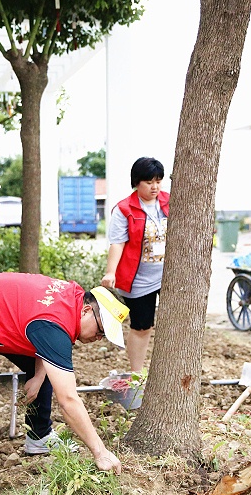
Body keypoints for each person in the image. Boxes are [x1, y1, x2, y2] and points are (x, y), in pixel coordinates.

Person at [0, 273, 126, 495]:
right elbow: (69, 400)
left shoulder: (74, 298)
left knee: (49, 370)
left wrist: (38, 376)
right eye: (101, 331)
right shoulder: (54, 323)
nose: (98, 338)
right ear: (87, 310)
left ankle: (38, 436)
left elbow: (44, 337)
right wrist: (100, 452)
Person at [101, 157, 169, 372]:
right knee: (142, 327)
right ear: (137, 182)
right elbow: (117, 243)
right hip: (139, 279)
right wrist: (111, 272)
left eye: (158, 181)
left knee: (173, 325)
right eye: (149, 182)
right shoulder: (124, 209)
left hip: (168, 276)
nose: (155, 187)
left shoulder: (170, 201)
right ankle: (137, 372)